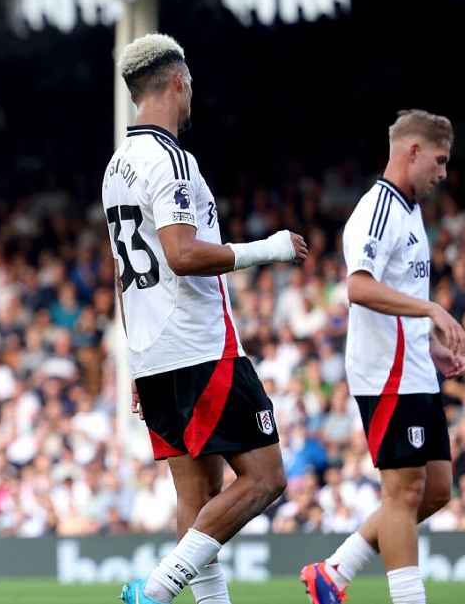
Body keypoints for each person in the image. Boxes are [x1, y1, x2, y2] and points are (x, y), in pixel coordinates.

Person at [107, 33, 308, 604]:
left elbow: (123, 274)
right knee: (266, 478)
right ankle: (158, 589)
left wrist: (136, 365)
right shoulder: (169, 158)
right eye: (190, 84)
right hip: (199, 347)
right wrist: (267, 249)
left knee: (198, 502)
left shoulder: (116, 166)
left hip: (154, 354)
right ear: (178, 82)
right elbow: (181, 253)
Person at [301, 110, 465, 604]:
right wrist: (431, 308)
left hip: (414, 365)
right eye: (438, 161)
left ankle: (334, 571)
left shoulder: (412, 211)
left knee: (437, 490)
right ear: (412, 151)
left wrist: (428, 341)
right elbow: (358, 287)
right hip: (386, 372)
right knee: (402, 496)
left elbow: (399, 291)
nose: (442, 173)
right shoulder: (378, 209)